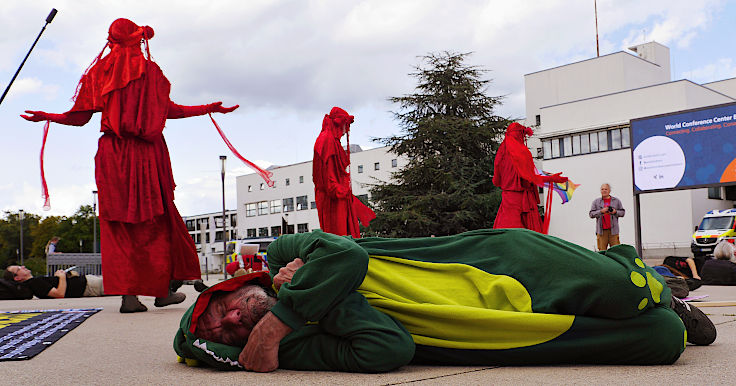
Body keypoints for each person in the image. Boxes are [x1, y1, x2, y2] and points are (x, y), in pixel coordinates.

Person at [174, 229, 716, 373]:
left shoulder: (283, 255)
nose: (233, 322)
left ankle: (648, 276)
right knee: (662, 340)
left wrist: (286, 312)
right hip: (496, 333)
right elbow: (388, 349)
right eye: (224, 335)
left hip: (495, 263)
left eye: (220, 311)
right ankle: (671, 310)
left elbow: (346, 257)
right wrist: (308, 312)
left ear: (229, 289)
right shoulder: (292, 348)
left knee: (628, 289)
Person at [21, 19, 238, 313]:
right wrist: (208, 108)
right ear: (136, 40)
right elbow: (170, 110)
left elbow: (79, 117)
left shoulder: (101, 72)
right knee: (155, 224)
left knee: (119, 227)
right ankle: (160, 292)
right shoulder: (150, 71)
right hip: (147, 155)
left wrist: (49, 115)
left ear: (111, 40)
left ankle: (130, 297)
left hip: (114, 153)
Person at [312, 107, 375, 238]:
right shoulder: (327, 140)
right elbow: (327, 174)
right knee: (338, 233)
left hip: (336, 193)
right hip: (333, 196)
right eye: (346, 126)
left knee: (341, 233)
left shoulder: (330, 140)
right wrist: (338, 190)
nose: (347, 130)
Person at [493, 123, 568, 232]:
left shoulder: (500, 153)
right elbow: (531, 178)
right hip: (523, 203)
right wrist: (551, 178)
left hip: (507, 201)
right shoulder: (523, 153)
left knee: (504, 233)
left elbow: (496, 181)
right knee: (528, 237)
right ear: (521, 135)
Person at [4, 265, 104, 298]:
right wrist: (62, 277)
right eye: (19, 269)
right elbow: (59, 294)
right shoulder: (34, 283)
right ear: (17, 278)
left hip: (89, 283)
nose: (23, 267)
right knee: (118, 285)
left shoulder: (34, 282)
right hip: (90, 286)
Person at [589, 183, 625, 251]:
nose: (604, 191)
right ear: (600, 190)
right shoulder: (596, 202)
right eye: (602, 189)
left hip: (613, 232)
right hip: (601, 232)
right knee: (602, 252)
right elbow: (591, 214)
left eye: (606, 189)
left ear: (609, 190)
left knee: (616, 251)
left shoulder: (616, 201)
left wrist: (615, 212)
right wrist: (601, 211)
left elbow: (622, 213)